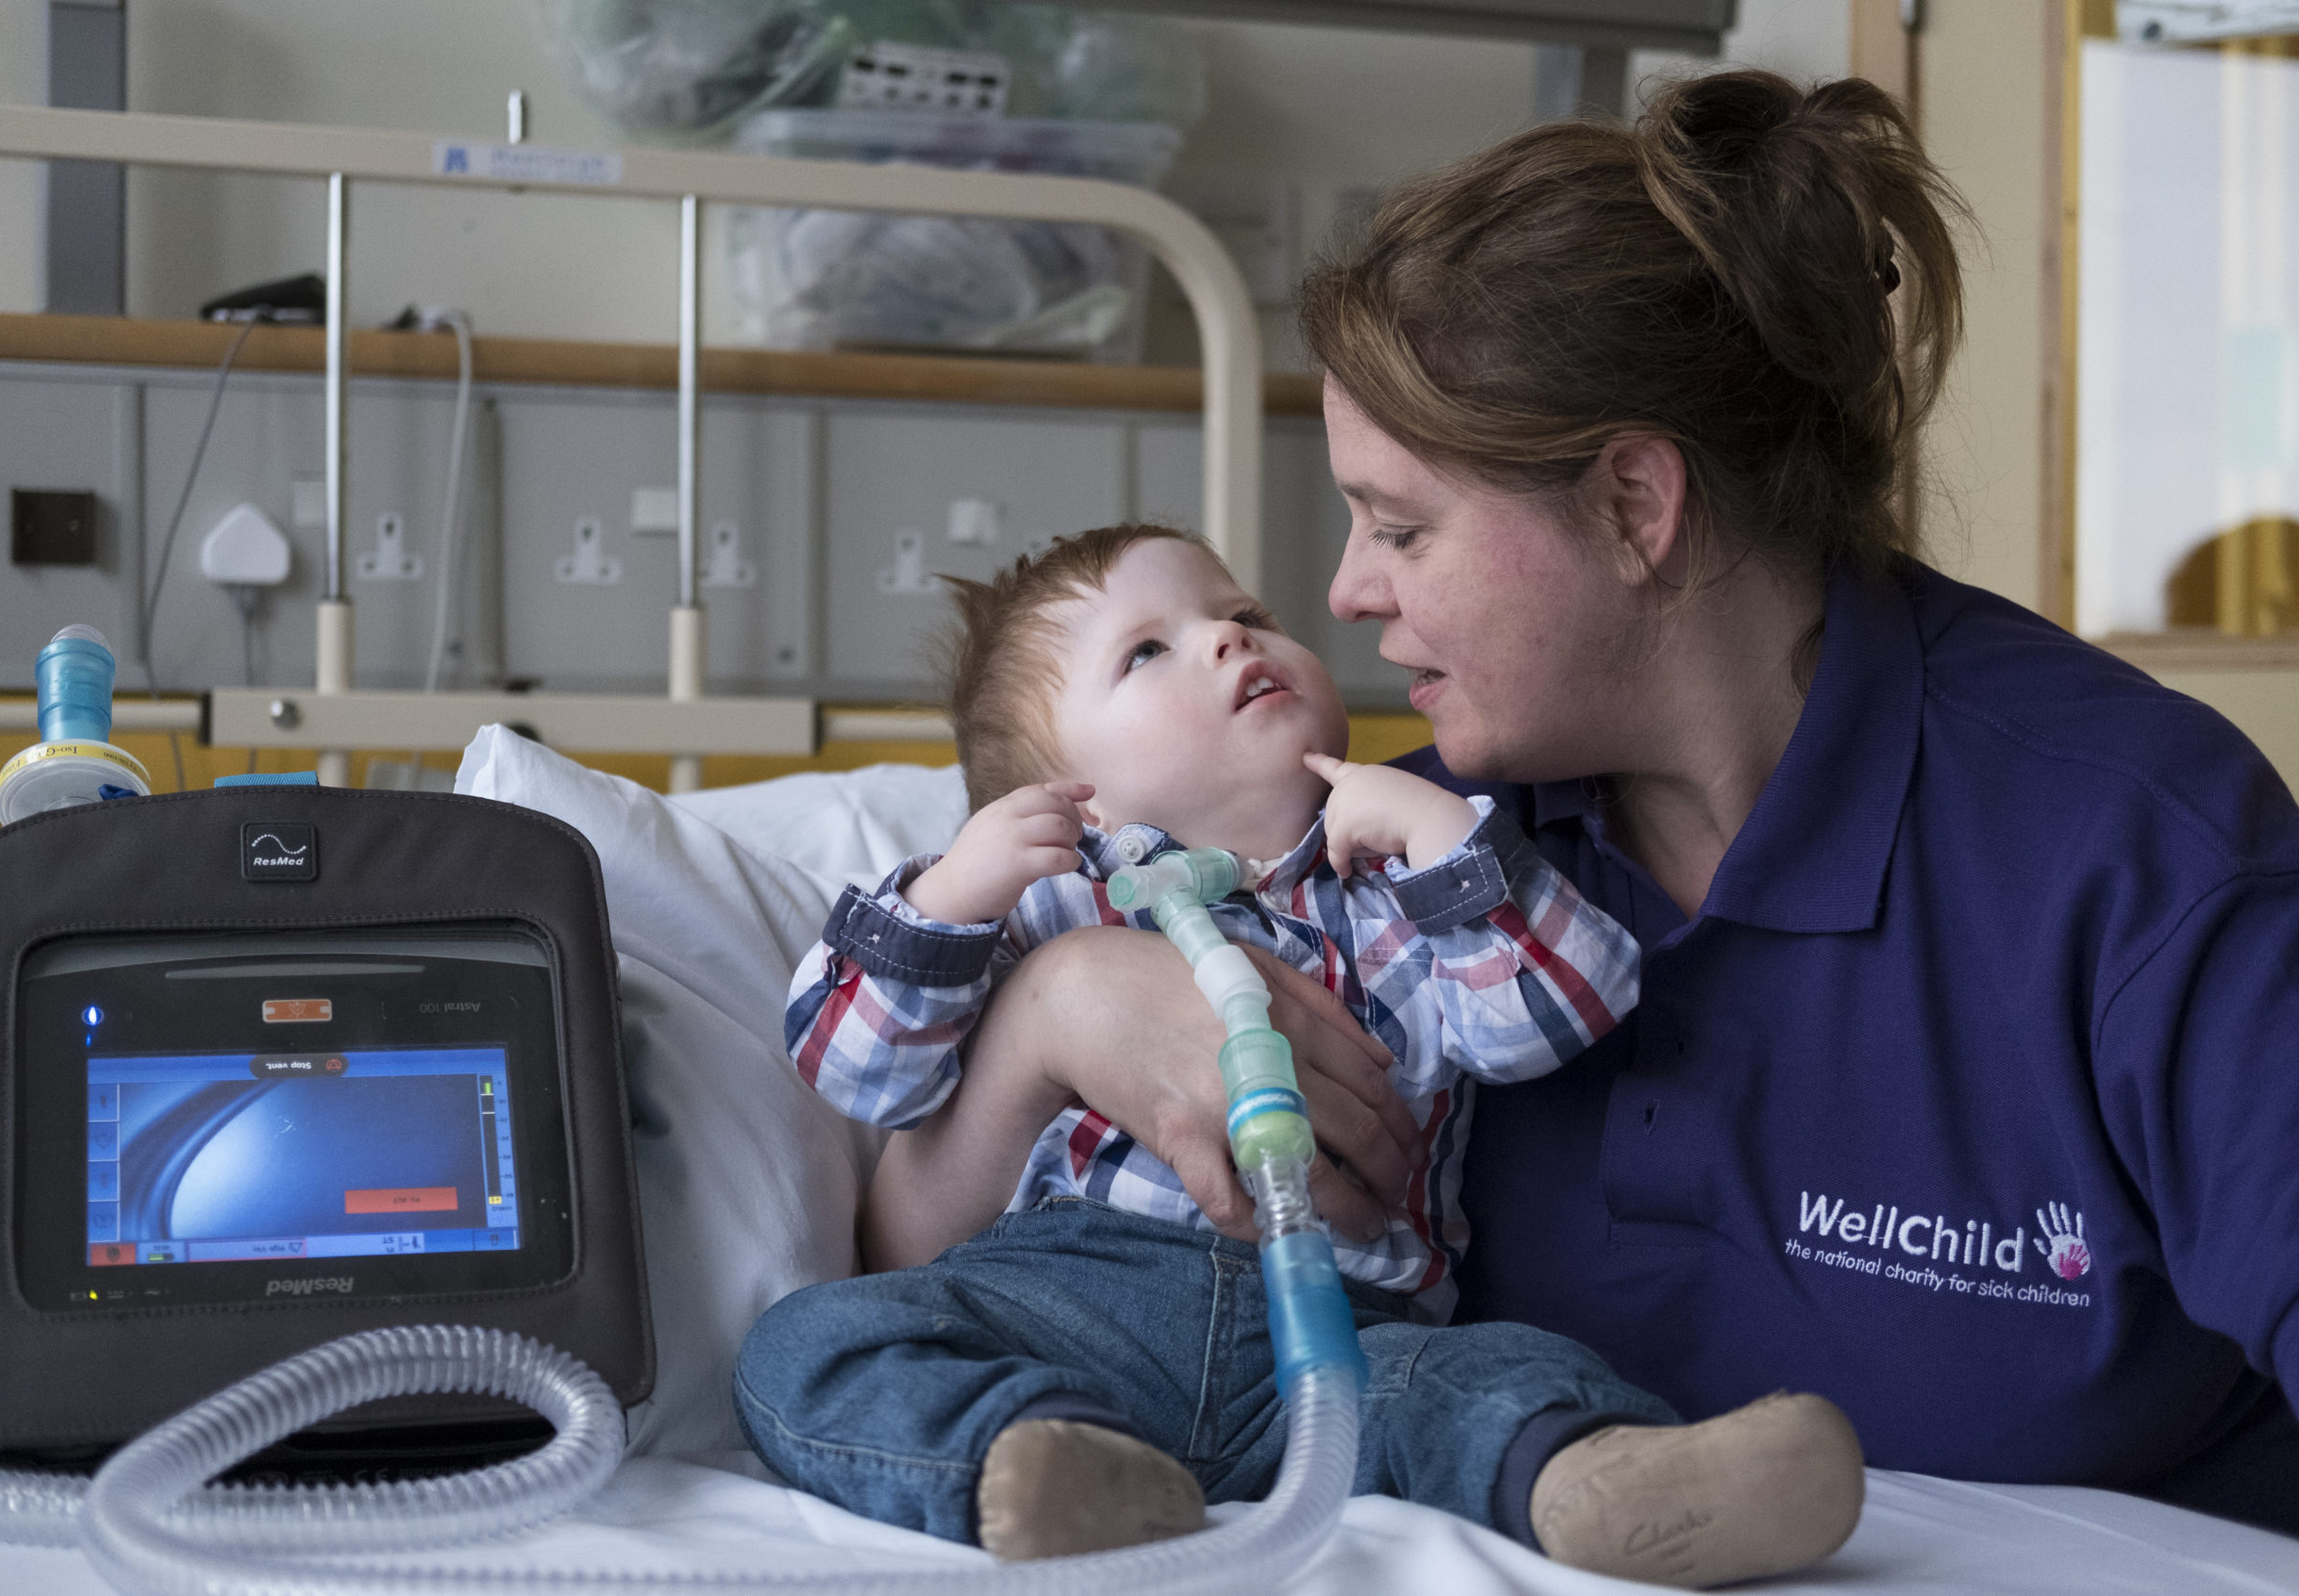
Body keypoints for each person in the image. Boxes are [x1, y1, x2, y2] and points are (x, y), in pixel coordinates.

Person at [859, 68, 2299, 1538]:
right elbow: (916, 1271)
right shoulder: (1391, 863)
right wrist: (1056, 1016)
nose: (1347, 594)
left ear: (1632, 505)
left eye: (1402, 526)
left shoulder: (2136, 862)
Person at [736, 524, 1867, 1586]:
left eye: (1241, 610)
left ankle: (1609, 1485)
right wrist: (950, 893)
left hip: (1348, 1338)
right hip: (1070, 1315)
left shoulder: (1399, 897)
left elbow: (1562, 1012)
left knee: (1496, 1377)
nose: (1229, 635)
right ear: (1058, 788)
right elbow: (853, 1072)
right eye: (1146, 651)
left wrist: (1443, 842)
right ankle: (1039, 1465)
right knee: (809, 1341)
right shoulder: (1047, 906)